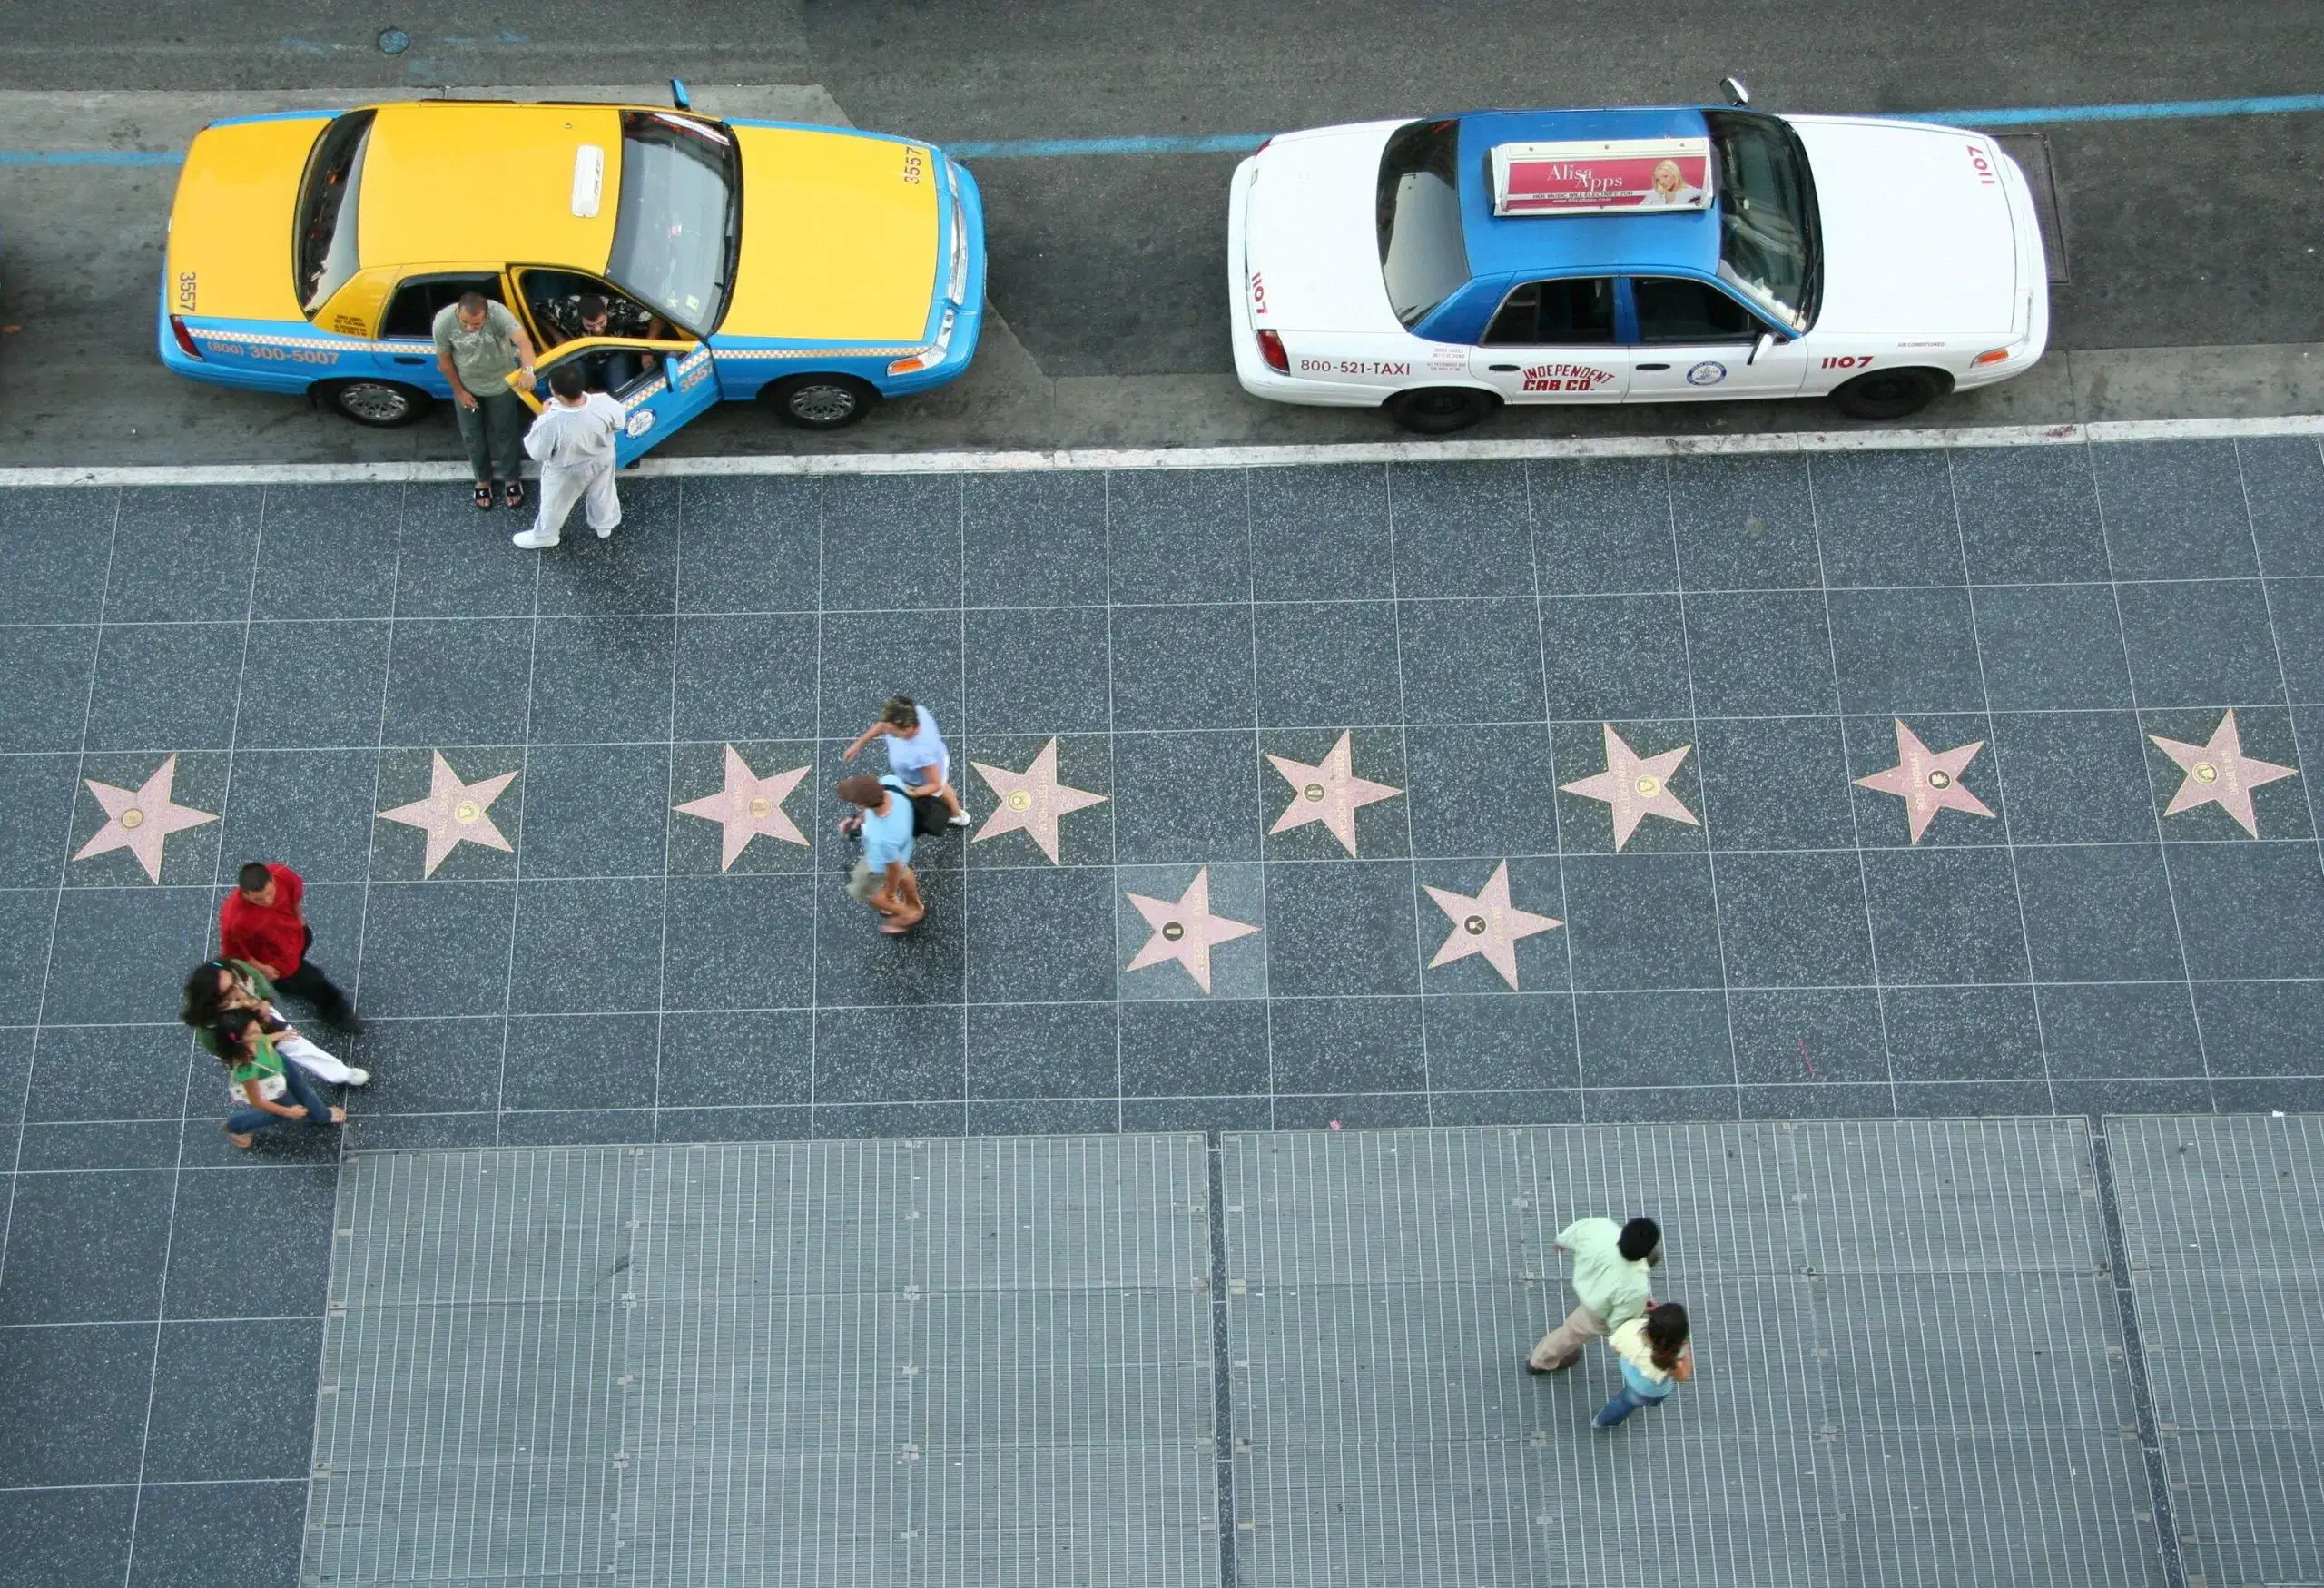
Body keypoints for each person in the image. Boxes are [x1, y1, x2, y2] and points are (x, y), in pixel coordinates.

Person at [217, 861, 362, 1033]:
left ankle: (284, 986)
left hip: (297, 935)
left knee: (298, 968)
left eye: (270, 893)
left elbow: (295, 896)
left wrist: (301, 921)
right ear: (245, 894)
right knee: (314, 982)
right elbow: (235, 953)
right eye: (259, 899)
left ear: (272, 879)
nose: (267, 901)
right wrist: (263, 968)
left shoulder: (282, 874)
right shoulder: (233, 920)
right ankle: (336, 1011)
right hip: (277, 960)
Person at [182, 960, 369, 1087]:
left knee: (299, 1047)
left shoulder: (236, 968)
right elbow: (224, 1051)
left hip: (267, 1021)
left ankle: (341, 1074)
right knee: (271, 1080)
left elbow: (258, 980)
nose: (237, 988)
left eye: (234, 981)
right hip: (249, 1047)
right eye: (229, 991)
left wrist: (265, 1001)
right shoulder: (208, 1027)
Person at [432, 290, 537, 511]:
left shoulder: (498, 313)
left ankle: (511, 478)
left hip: (502, 385)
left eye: (476, 324)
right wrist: (459, 391)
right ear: (458, 311)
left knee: (506, 433)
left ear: (487, 315)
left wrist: (528, 371)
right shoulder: (443, 322)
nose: (470, 328)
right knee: (472, 436)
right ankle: (482, 480)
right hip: (467, 386)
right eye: (465, 322)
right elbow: (445, 363)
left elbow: (524, 343)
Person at [513, 363, 625, 551]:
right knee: (603, 493)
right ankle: (604, 526)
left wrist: (542, 415)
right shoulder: (604, 402)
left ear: (557, 393)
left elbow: (538, 453)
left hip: (568, 470)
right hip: (603, 457)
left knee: (554, 503)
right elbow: (619, 423)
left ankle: (546, 535)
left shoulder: (550, 422)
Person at [1526, 1215, 1659, 1373]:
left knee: (1569, 1332)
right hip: (1596, 1310)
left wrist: (1562, 1240)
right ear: (1645, 1254)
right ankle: (1540, 1361)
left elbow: (1577, 1231)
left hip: (1585, 1284)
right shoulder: (1636, 1288)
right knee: (1570, 1335)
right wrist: (1640, 1312)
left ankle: (1542, 1359)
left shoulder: (1602, 1228)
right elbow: (1618, 1322)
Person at [216, 1008, 345, 1149]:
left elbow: (262, 1039)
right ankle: (235, 1124)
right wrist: (287, 1112)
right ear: (240, 1041)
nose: (259, 1032)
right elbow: (257, 1101)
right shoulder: (246, 1069)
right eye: (253, 1032)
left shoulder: (253, 1039)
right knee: (281, 1113)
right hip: (268, 1084)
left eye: (256, 1027)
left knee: (302, 1088)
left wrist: (278, 1035)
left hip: (279, 1066)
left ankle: (321, 1115)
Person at [841, 696, 970, 826]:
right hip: (920, 770)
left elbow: (935, 784)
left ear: (906, 729)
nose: (886, 731)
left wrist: (910, 792)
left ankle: (957, 815)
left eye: (891, 731)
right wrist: (860, 743)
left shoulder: (921, 753)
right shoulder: (917, 712)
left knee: (942, 790)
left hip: (923, 780)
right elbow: (882, 725)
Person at [836, 774, 925, 934]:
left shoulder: (881, 839)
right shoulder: (890, 782)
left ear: (860, 804)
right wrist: (858, 820)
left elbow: (893, 869)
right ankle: (915, 905)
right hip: (903, 847)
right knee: (905, 873)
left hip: (880, 864)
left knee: (863, 892)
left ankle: (907, 913)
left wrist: (890, 893)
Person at [1594, 1302, 1693, 1428]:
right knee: (1636, 1400)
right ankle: (1650, 1403)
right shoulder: (1670, 1358)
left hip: (1628, 1368)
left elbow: (1615, 1348)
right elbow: (1683, 1376)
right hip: (1647, 1390)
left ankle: (1602, 1422)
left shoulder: (1629, 1328)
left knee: (1623, 1402)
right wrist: (1685, 1347)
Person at [572, 292, 663, 392]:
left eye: (601, 322)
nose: (597, 329)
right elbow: (550, 316)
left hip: (615, 353)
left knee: (621, 391)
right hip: (582, 356)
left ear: (605, 312)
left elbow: (658, 318)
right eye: (590, 325)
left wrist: (647, 349)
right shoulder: (567, 309)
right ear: (580, 318)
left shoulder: (620, 309)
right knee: (572, 393)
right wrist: (559, 338)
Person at [1637, 158, 1704, 208]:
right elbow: (1638, 210)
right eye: (1658, 179)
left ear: (1675, 174)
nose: (1662, 182)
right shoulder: (1654, 193)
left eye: (1665, 176)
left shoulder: (1692, 193)